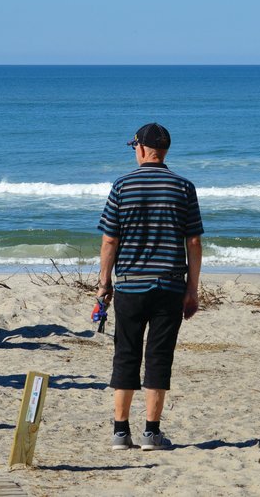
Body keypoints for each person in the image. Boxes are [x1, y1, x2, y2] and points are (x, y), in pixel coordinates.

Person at [96, 123, 204, 451]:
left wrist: (104, 284)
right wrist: (192, 290)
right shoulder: (184, 187)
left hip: (130, 285)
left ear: (142, 149)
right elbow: (194, 241)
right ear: (165, 150)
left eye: (134, 147)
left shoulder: (122, 185)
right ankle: (151, 433)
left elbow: (110, 239)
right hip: (170, 285)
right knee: (159, 356)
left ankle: (119, 432)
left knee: (125, 353)